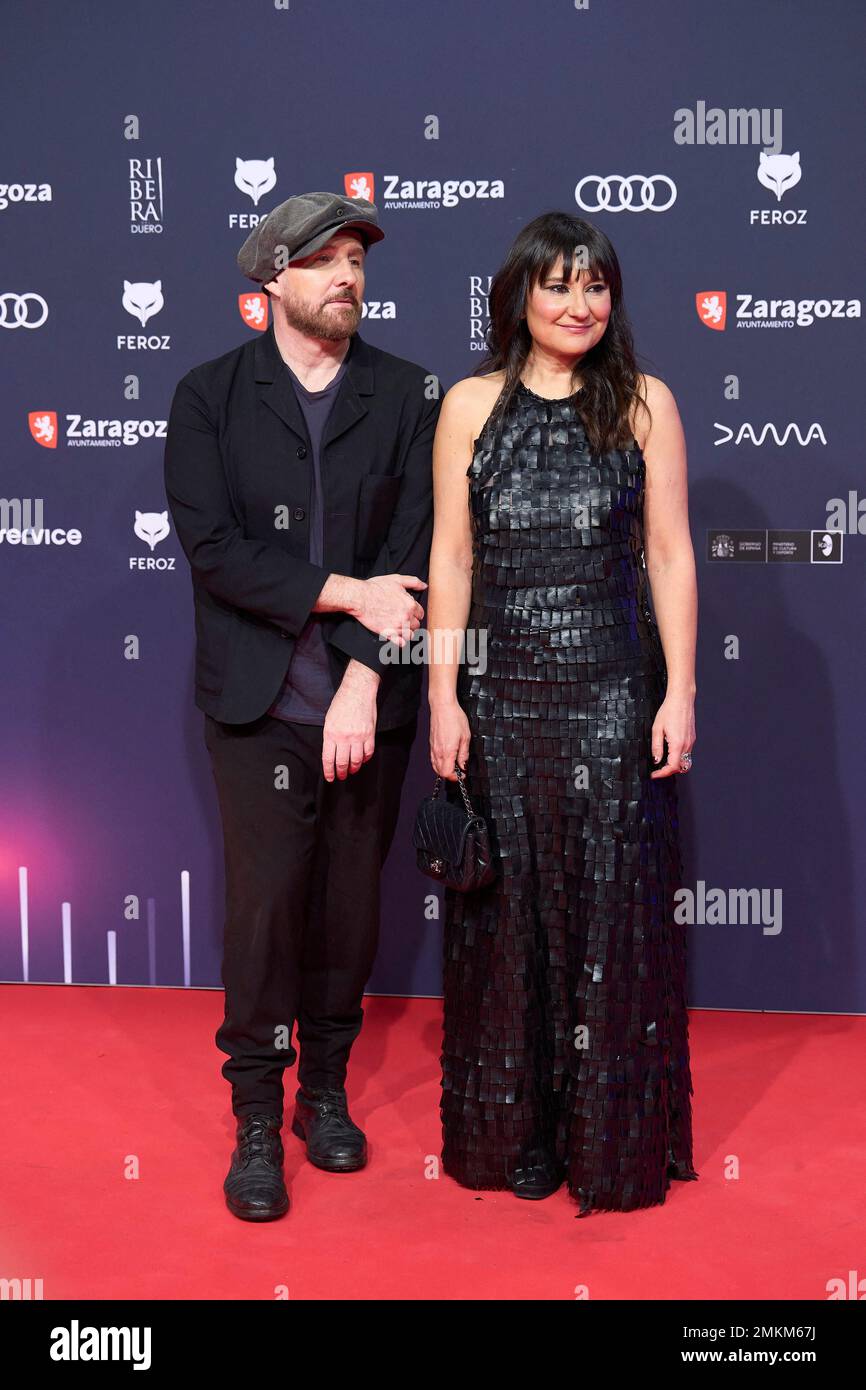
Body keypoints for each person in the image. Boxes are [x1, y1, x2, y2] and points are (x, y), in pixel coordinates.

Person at [164, 191, 440, 1221]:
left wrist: (366, 674)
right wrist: (344, 593)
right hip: (255, 705)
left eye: (357, 262)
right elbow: (217, 551)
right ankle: (252, 1114)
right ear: (270, 278)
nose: (347, 279)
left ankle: (323, 1091)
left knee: (347, 909)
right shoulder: (207, 397)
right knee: (267, 910)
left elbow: (411, 553)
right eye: (323, 261)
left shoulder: (409, 394)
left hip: (371, 702)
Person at [426, 211, 698, 1215]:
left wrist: (679, 687)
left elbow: (666, 553)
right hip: (499, 697)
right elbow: (450, 559)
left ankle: (604, 1140)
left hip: (609, 689)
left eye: (594, 286)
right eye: (557, 285)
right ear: (519, 297)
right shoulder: (467, 405)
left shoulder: (644, 404)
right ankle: (519, 1136)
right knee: (506, 918)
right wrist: (442, 691)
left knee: (606, 912)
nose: (577, 304)